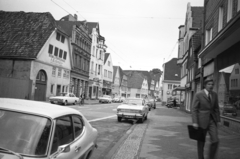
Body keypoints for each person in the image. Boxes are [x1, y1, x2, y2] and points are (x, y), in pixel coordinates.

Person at [192, 78, 221, 159]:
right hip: (201, 121)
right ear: (205, 85)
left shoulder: (214, 94)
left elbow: (216, 108)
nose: (211, 86)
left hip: (212, 121)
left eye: (212, 84)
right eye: (209, 84)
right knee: (201, 142)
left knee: (215, 140)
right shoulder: (199, 94)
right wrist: (195, 122)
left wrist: (218, 120)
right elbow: (194, 109)